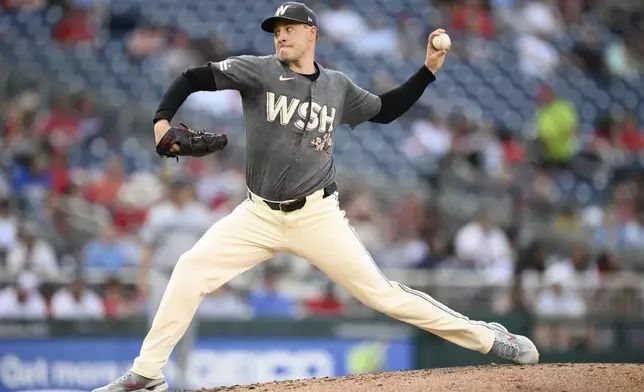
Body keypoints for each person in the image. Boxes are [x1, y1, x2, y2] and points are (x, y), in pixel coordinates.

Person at [94, 3, 538, 392]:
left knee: (383, 295)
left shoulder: (338, 86)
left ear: (312, 34)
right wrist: (161, 123)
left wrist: (429, 70)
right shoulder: (259, 71)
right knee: (191, 269)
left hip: (317, 215)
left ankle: (488, 337)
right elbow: (191, 77)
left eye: (289, 27)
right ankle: (148, 374)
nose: (280, 34)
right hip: (257, 214)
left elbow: (387, 111)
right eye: (276, 29)